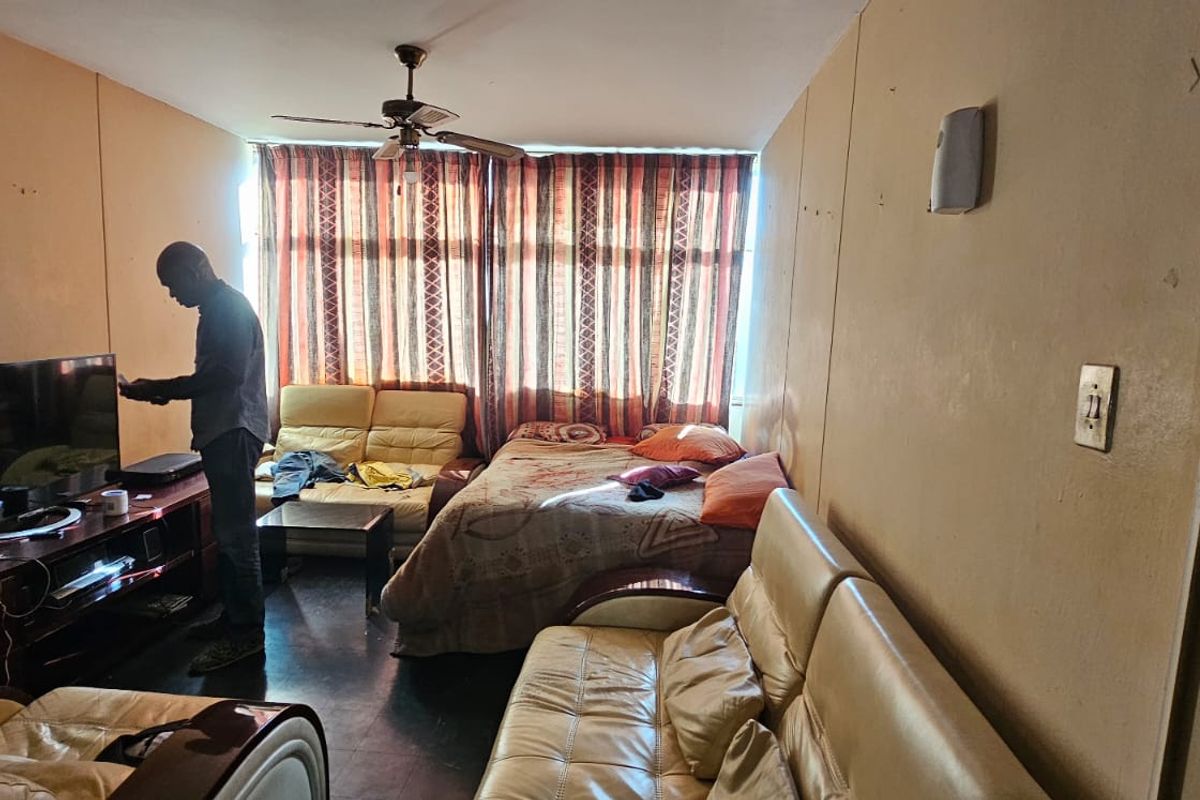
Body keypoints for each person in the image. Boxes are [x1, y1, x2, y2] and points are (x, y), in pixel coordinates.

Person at [120, 241, 270, 674]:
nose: (172, 295)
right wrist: (161, 393)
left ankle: (246, 634)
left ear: (198, 270)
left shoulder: (228, 309)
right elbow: (214, 376)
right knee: (227, 533)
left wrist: (159, 388)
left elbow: (225, 376)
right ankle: (233, 618)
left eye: (173, 284)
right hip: (225, 432)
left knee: (237, 536)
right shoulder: (218, 309)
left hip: (233, 432)